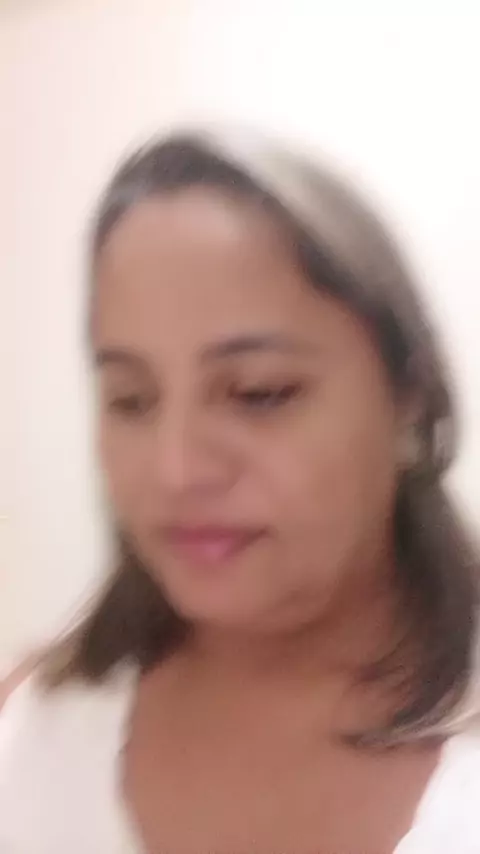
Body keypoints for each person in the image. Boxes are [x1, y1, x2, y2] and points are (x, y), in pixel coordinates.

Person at [1, 126, 479, 854]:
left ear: (407, 400)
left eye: (260, 393)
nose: (177, 470)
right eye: (130, 399)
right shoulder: (27, 739)